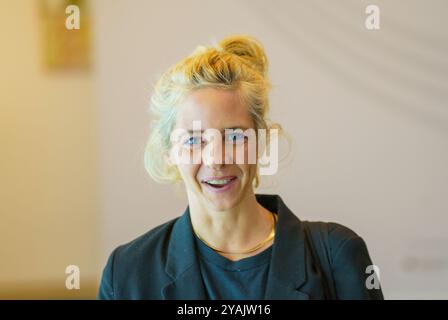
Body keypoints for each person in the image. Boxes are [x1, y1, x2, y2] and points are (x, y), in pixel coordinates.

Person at [97, 34, 384, 300]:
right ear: (170, 151)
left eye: (234, 136)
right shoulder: (126, 273)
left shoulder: (337, 256)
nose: (216, 159)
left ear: (261, 141)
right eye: (194, 140)